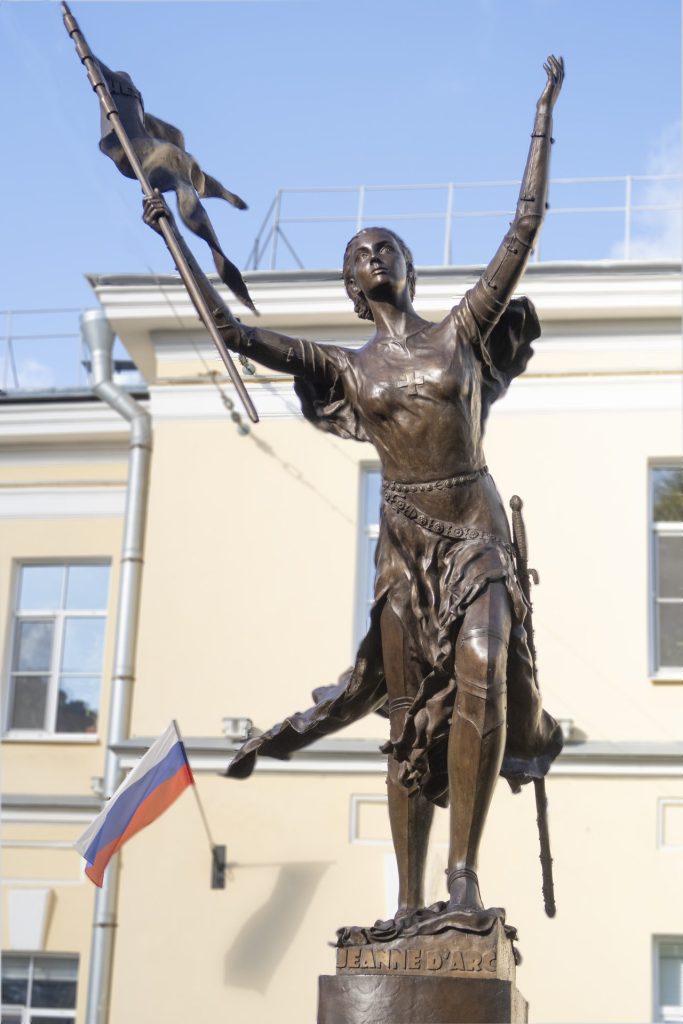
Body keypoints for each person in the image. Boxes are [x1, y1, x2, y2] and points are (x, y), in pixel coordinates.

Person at [144, 55, 564, 932]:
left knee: (484, 672)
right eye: (357, 252)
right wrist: (169, 232)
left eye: (386, 247)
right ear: (350, 283)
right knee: (409, 721)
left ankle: (461, 879)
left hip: (474, 530)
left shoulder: (458, 333)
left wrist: (541, 117)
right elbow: (232, 330)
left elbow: (522, 229)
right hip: (407, 549)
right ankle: (409, 900)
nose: (372, 254)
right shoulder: (344, 365)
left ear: (407, 270)